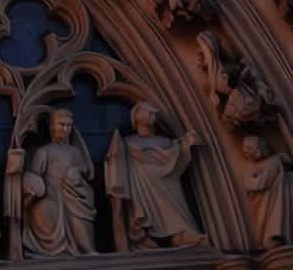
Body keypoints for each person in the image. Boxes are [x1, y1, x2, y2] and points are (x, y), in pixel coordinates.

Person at [106, 102, 207, 250]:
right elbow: (119, 164)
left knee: (176, 205)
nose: (152, 116)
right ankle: (158, 236)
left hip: (167, 181)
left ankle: (181, 233)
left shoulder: (164, 141)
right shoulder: (128, 142)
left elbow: (172, 155)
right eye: (148, 112)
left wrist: (186, 143)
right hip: (143, 185)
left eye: (153, 113)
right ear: (136, 116)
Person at [22, 109, 96, 258]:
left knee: (79, 217)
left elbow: (87, 170)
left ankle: (84, 247)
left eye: (68, 125)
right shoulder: (44, 151)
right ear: (52, 127)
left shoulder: (75, 151)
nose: (65, 129)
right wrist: (33, 190)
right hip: (50, 197)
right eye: (61, 124)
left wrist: (77, 171)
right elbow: (34, 177)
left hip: (72, 197)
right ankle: (51, 250)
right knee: (46, 210)